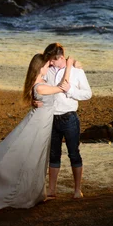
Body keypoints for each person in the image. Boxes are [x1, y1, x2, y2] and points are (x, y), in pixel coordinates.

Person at [0, 53, 73, 213]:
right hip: (37, 125)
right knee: (29, 158)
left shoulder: (41, 83)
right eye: (46, 65)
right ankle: (19, 194)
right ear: (39, 68)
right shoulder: (40, 87)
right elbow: (62, 86)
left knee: (36, 159)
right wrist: (70, 64)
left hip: (42, 124)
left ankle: (34, 193)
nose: (49, 67)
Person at [42, 43, 92, 199]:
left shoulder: (76, 72)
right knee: (53, 154)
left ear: (61, 58)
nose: (51, 63)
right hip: (51, 117)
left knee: (74, 153)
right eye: (49, 60)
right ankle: (52, 190)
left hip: (69, 117)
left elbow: (87, 94)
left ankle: (77, 190)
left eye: (52, 60)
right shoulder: (48, 70)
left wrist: (70, 90)